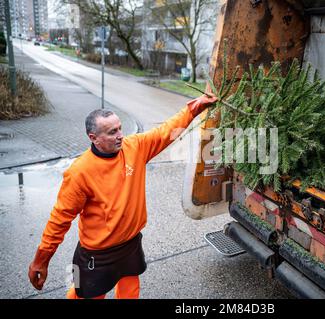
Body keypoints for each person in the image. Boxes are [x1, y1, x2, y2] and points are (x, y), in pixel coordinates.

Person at [28, 94, 218, 299]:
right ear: (94, 138)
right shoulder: (79, 173)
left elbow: (166, 131)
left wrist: (194, 108)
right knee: (84, 293)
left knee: (130, 292)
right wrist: (41, 259)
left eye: (120, 128)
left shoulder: (135, 147)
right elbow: (59, 220)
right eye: (112, 132)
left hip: (130, 245)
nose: (120, 135)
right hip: (96, 255)